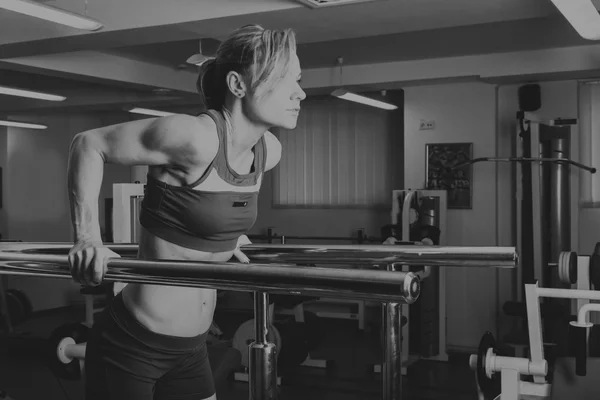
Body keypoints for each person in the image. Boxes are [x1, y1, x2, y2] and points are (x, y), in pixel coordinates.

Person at [66, 24, 306, 400]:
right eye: (286, 80)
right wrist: (87, 237)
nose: (300, 92)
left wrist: (226, 236)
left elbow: (204, 211)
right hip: (133, 342)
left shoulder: (268, 152)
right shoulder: (194, 137)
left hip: (191, 348)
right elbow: (88, 145)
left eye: (299, 79)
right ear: (238, 85)